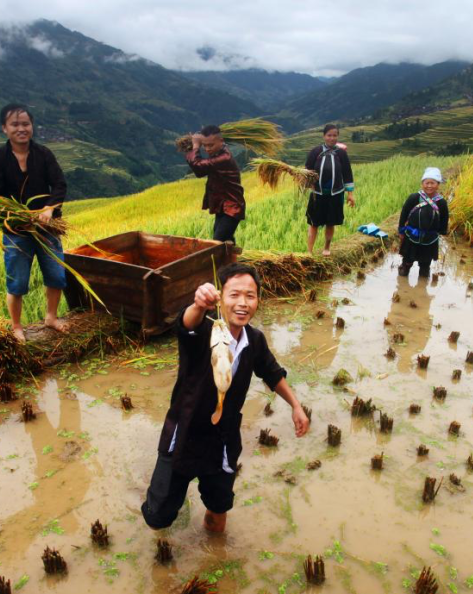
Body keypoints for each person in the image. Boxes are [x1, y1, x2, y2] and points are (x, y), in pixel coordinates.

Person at [141, 263, 309, 534]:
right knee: (158, 518)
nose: (243, 303)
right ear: (220, 298)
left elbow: (272, 372)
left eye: (250, 295)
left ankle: (215, 554)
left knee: (219, 509)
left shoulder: (254, 340)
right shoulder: (203, 331)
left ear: (258, 300)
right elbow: (186, 323)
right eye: (234, 295)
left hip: (223, 437)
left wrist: (296, 406)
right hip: (184, 433)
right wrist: (198, 304)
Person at [0, 103, 70, 342]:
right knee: (17, 281)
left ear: (32, 126)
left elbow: (59, 184)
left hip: (47, 227)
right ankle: (16, 327)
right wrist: (21, 216)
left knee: (56, 275)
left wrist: (49, 209)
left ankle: (51, 318)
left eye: (25, 124)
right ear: (5, 128)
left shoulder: (44, 154)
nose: (21, 129)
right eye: (15, 124)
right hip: (16, 230)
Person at [186, 125, 246, 243]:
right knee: (225, 240)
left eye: (211, 145)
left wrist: (196, 146)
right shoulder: (218, 153)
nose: (207, 149)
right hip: (223, 207)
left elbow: (199, 169)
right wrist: (194, 147)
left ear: (221, 141)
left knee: (217, 242)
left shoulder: (224, 158)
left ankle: (227, 260)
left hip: (232, 207)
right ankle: (233, 260)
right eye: (205, 145)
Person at [304, 124, 355, 256]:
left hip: (336, 193)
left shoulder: (341, 154)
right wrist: (307, 182)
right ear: (324, 136)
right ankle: (309, 251)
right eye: (329, 135)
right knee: (314, 223)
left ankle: (326, 248)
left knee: (330, 223)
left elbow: (347, 173)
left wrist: (350, 194)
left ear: (337, 137)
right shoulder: (316, 152)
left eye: (335, 135)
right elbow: (307, 171)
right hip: (318, 194)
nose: (332, 138)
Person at [398, 167, 450, 278]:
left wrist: (442, 231)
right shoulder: (414, 197)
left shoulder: (441, 202)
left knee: (425, 264)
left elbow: (444, 217)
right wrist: (401, 230)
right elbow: (404, 213)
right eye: (427, 183)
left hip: (430, 238)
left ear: (438, 184)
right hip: (412, 235)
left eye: (433, 183)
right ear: (422, 183)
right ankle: (403, 273)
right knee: (407, 260)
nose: (429, 186)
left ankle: (423, 282)